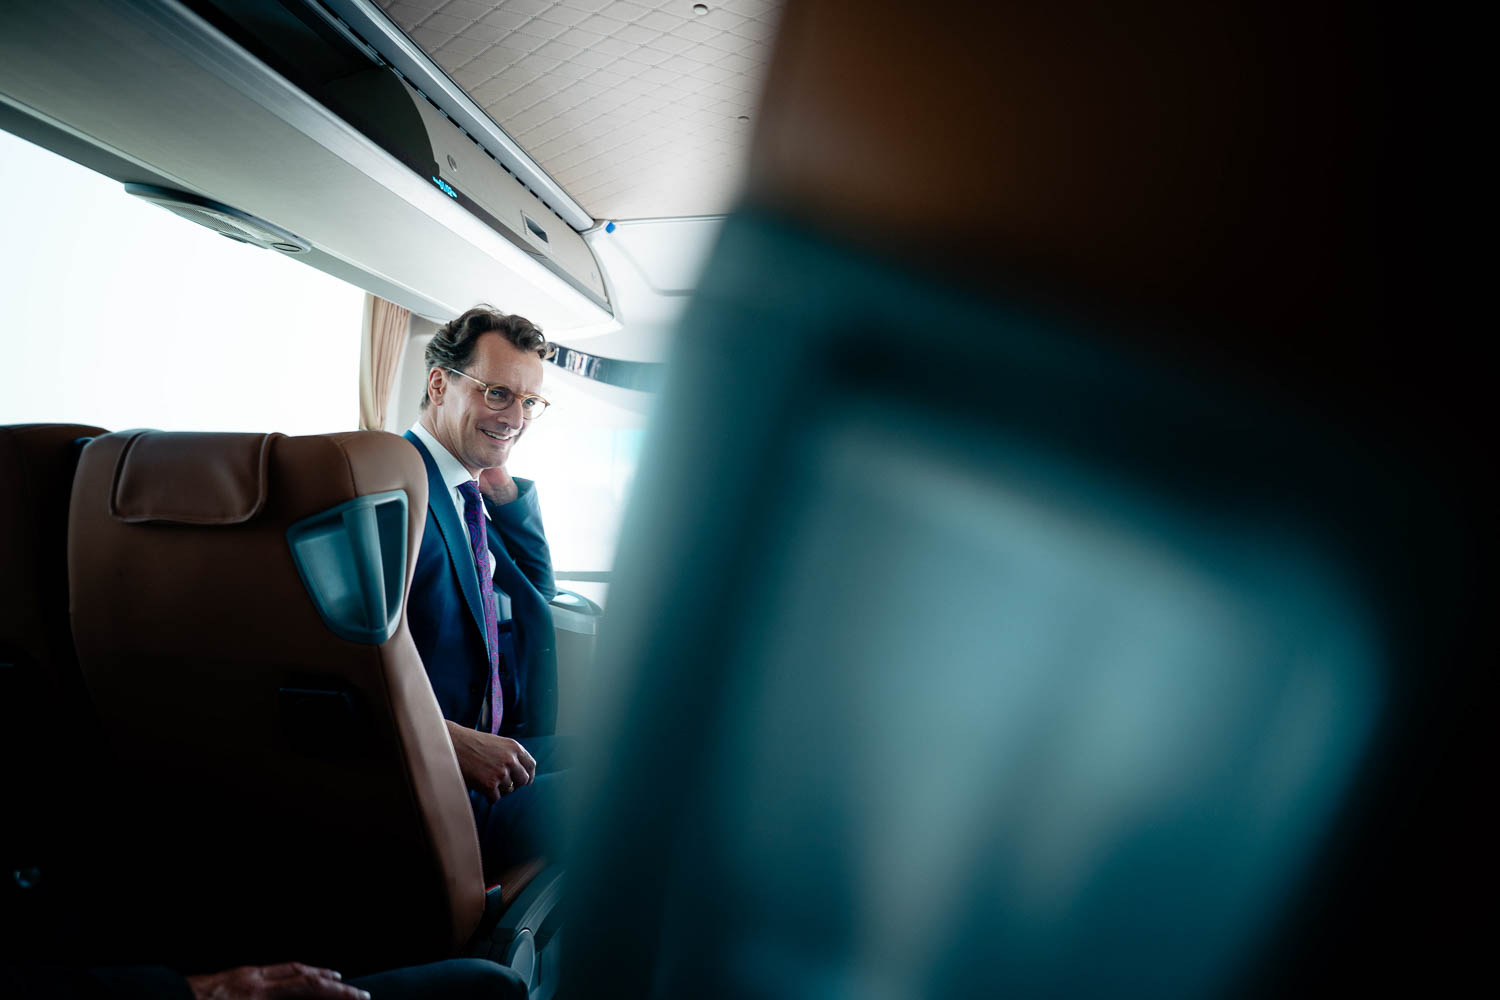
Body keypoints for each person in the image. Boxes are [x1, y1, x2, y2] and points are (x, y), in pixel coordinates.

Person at [402, 305, 565, 875]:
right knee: (647, 796)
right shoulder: (394, 485)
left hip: (499, 744)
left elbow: (537, 595)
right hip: (435, 781)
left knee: (644, 757)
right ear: (439, 385)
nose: (516, 417)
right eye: (498, 393)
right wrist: (451, 741)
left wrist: (503, 494)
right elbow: (338, 669)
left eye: (529, 401)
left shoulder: (463, 491)